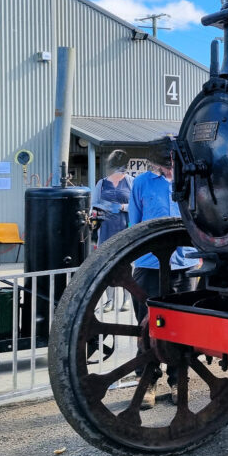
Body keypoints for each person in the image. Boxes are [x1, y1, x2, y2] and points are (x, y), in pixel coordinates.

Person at [128, 136, 196, 408]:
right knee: (147, 326)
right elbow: (134, 224)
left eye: (171, 166)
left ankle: (179, 380)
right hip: (149, 265)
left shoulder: (190, 182)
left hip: (184, 263)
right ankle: (148, 382)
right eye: (163, 167)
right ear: (153, 164)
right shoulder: (141, 184)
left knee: (184, 327)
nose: (168, 172)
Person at [92, 150, 132, 312]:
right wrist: (101, 210)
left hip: (126, 229)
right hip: (106, 229)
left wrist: (122, 207)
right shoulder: (101, 183)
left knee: (127, 265)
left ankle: (127, 300)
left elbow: (137, 206)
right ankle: (109, 300)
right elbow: (94, 206)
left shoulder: (131, 182)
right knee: (108, 266)